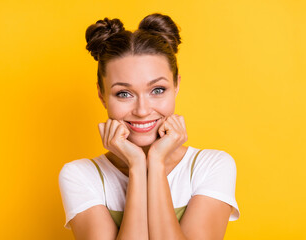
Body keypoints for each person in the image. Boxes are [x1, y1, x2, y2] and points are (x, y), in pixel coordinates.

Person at [59, 13, 240, 240]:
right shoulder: (82, 176)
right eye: (124, 94)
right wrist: (137, 166)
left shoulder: (211, 167)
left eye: (157, 90)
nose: (142, 110)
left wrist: (155, 162)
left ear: (176, 86)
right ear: (102, 95)